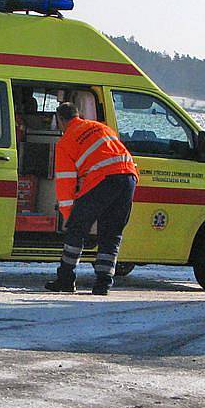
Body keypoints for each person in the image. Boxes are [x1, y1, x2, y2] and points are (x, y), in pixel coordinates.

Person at [45, 103, 138, 295]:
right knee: (111, 233)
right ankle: (103, 285)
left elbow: (66, 182)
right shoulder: (101, 127)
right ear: (77, 115)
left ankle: (65, 280)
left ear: (60, 120)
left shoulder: (65, 142)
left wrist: (69, 216)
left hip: (103, 180)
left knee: (77, 230)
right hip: (128, 178)